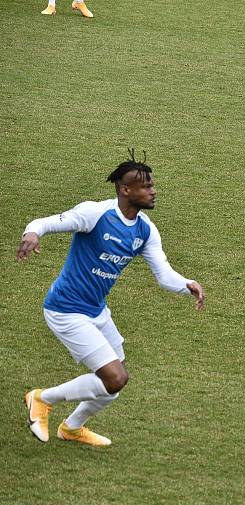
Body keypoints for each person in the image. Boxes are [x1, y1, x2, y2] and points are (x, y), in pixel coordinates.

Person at [18, 150, 205, 446]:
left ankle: (72, 427)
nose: (153, 191)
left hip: (96, 310)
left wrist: (187, 285)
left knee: (115, 380)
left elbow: (163, 274)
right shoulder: (96, 213)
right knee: (115, 378)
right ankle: (41, 399)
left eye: (152, 185)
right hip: (66, 310)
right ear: (125, 190)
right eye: (146, 186)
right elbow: (47, 222)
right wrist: (32, 233)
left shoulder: (145, 230)